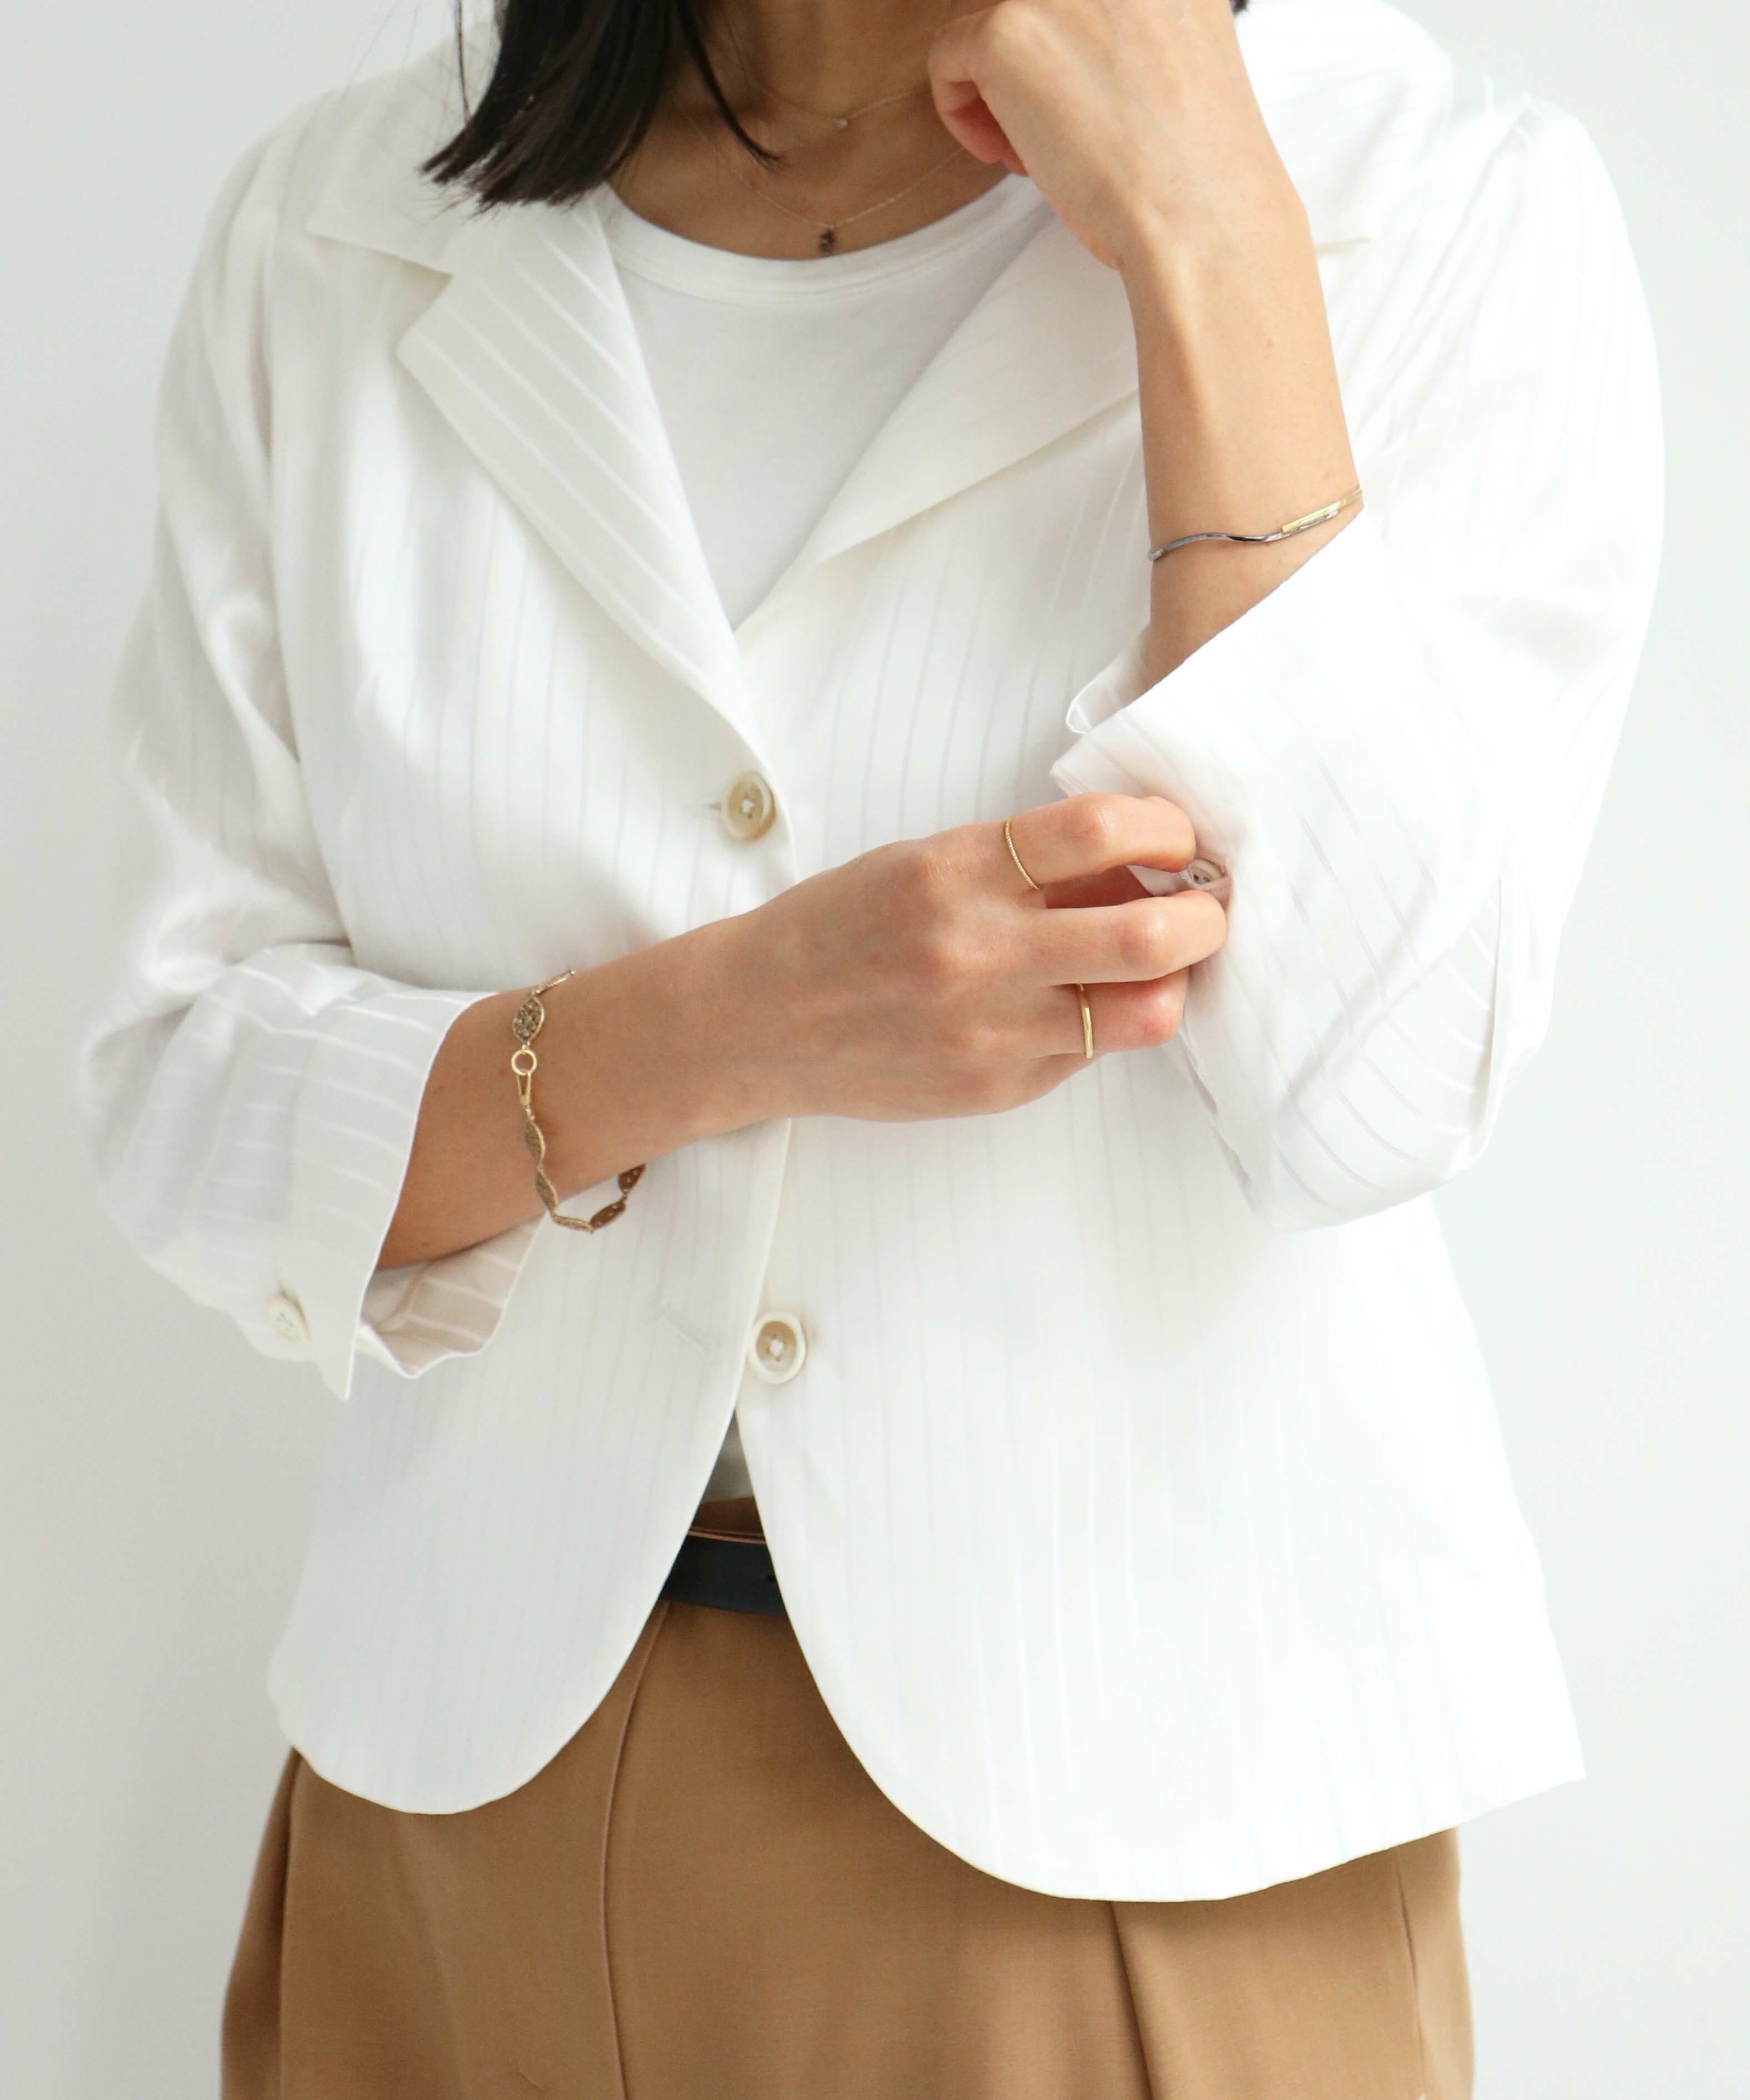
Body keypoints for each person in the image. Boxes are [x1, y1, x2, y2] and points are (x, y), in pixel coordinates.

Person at [77, 0, 1661, 2091]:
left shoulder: (1424, 202)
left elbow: (1385, 1090)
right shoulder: (335, 224)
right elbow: (184, 1081)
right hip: (459, 1824)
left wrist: (1209, 235)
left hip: (1130, 1847)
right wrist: (725, 1023)